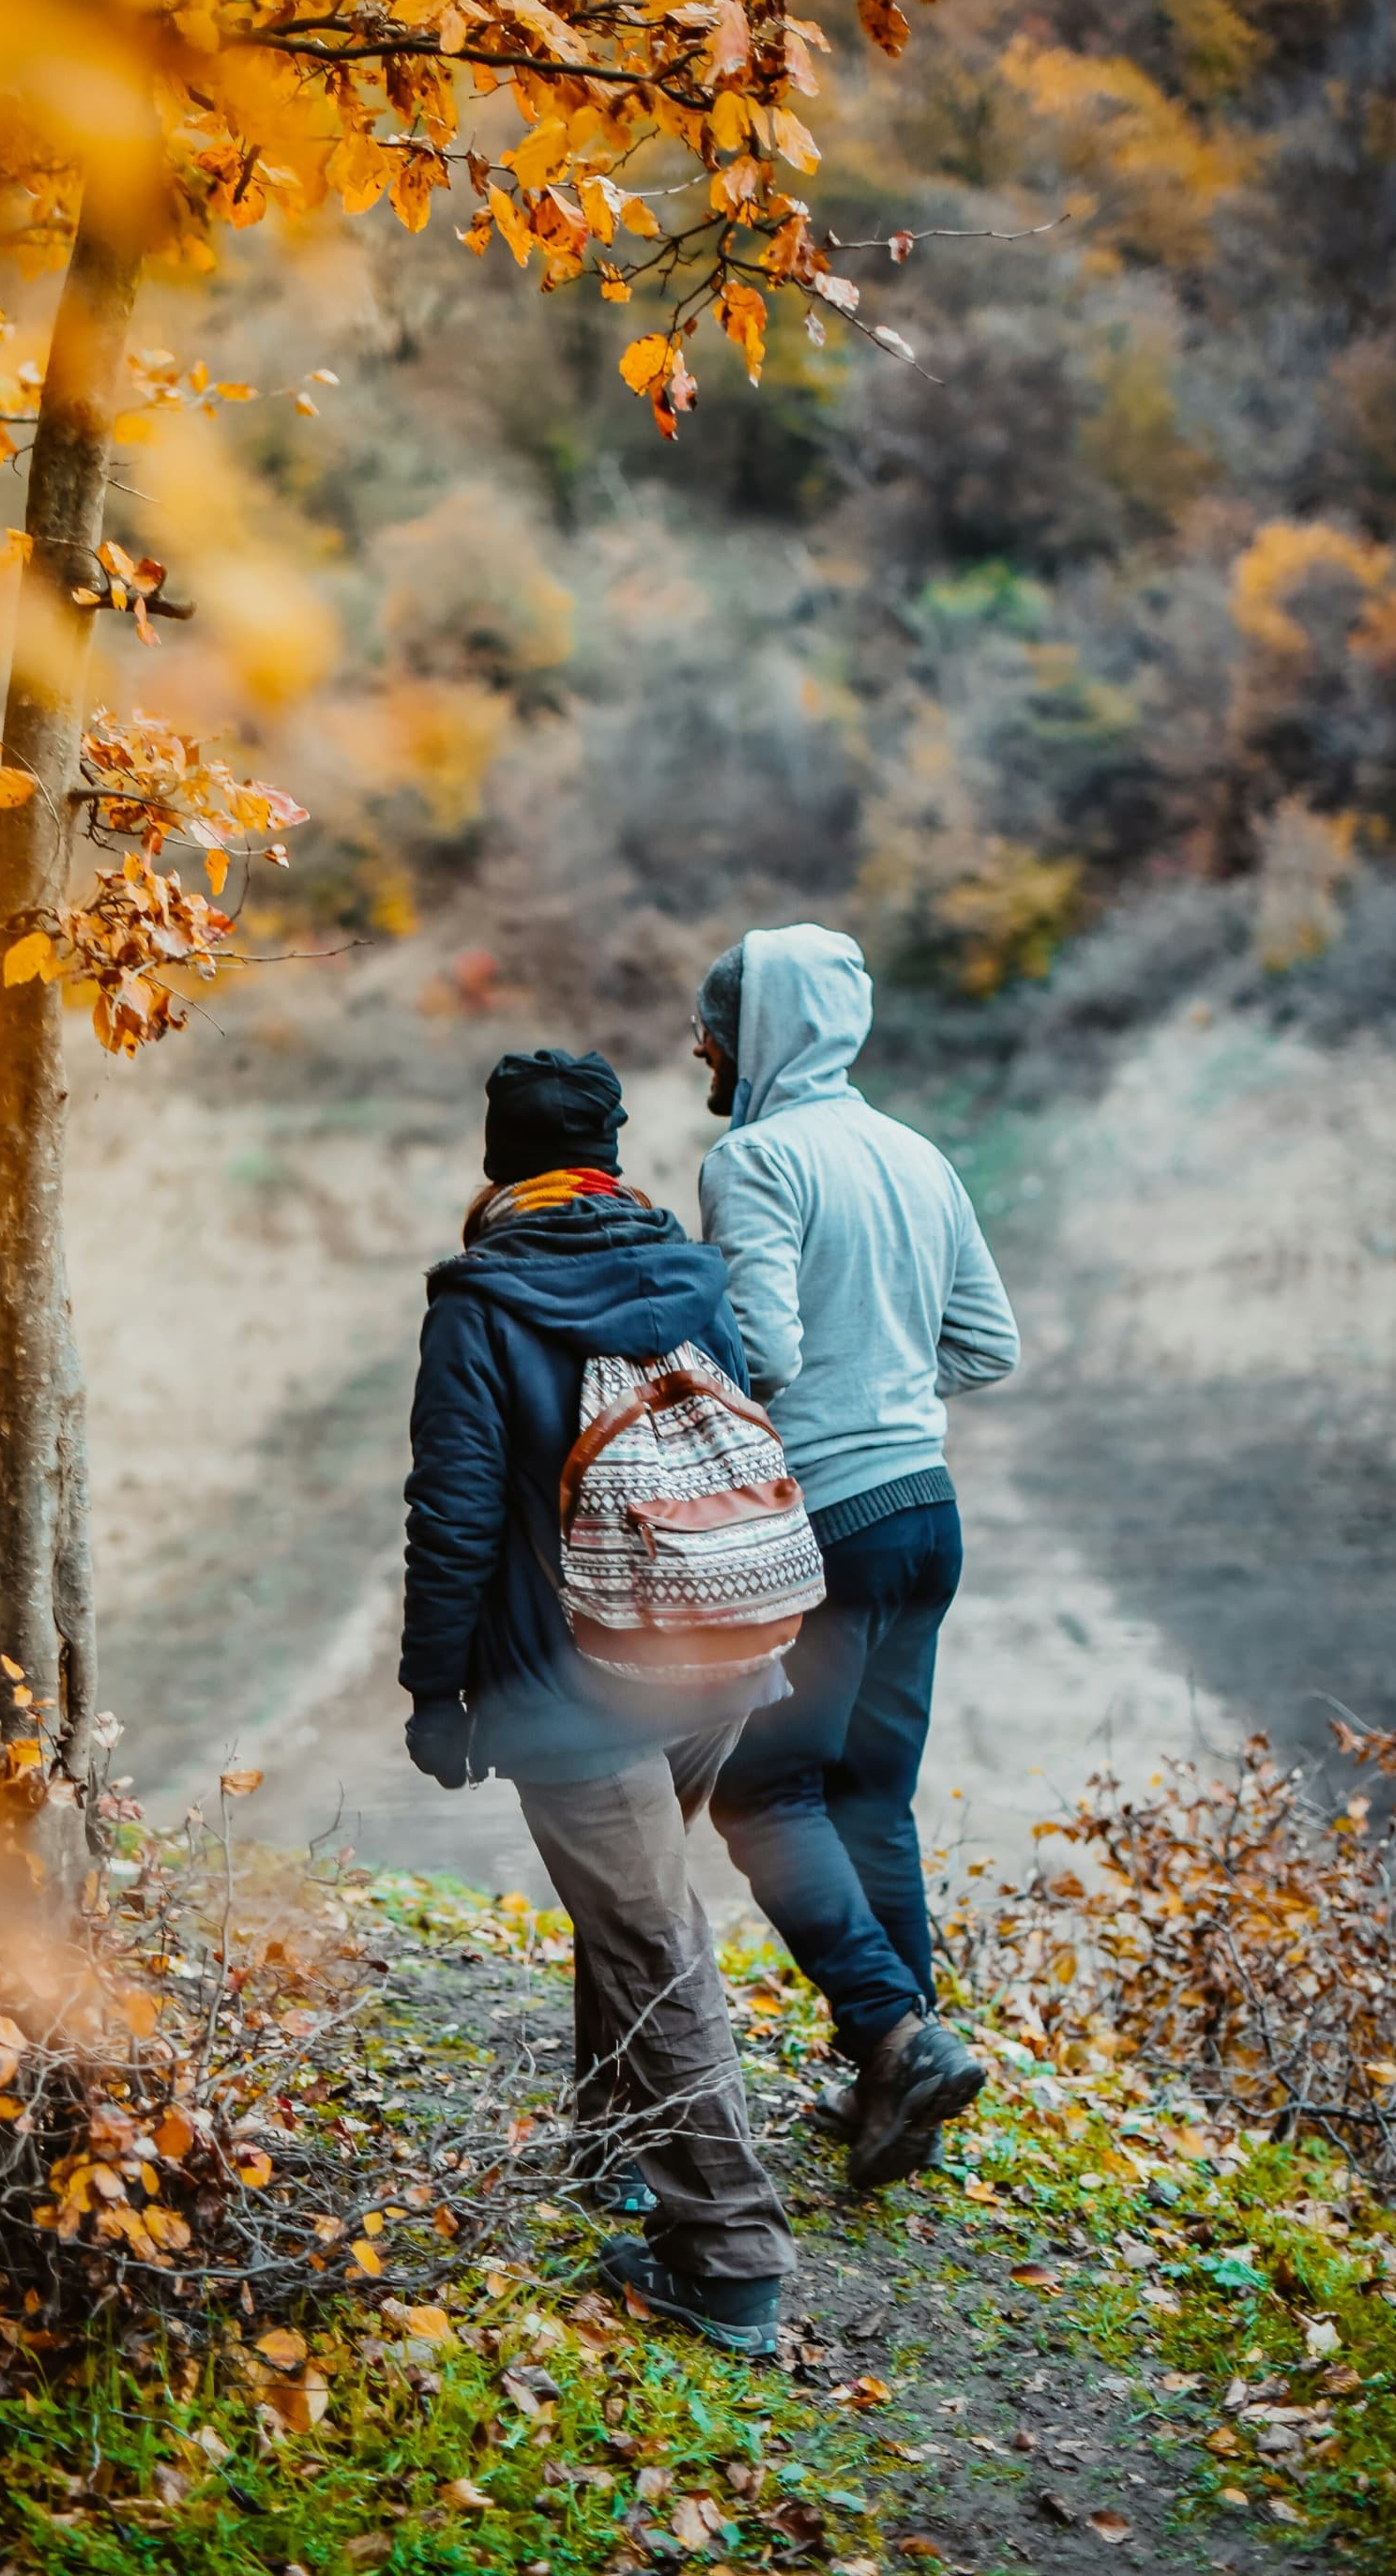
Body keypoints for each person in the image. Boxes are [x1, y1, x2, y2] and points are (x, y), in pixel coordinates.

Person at [399, 1046, 797, 2354]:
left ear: (497, 1159)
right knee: (628, 1906)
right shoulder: (687, 1269)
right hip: (718, 1644)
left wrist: (437, 1692)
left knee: (647, 1931)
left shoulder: (481, 1301)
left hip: (573, 1682)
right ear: (610, 1155)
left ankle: (728, 2255)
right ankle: (616, 2150)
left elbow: (454, 1514)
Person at [691, 926, 1021, 2191]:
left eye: (713, 1024)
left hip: (828, 1522)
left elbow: (761, 1349)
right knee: (870, 1796)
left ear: (759, 1031)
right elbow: (984, 1347)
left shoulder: (756, 1157)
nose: (700, 1046)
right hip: (927, 1511)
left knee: (761, 1795)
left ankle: (893, 2033)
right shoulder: (916, 1156)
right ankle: (899, 2089)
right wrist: (890, 1383)